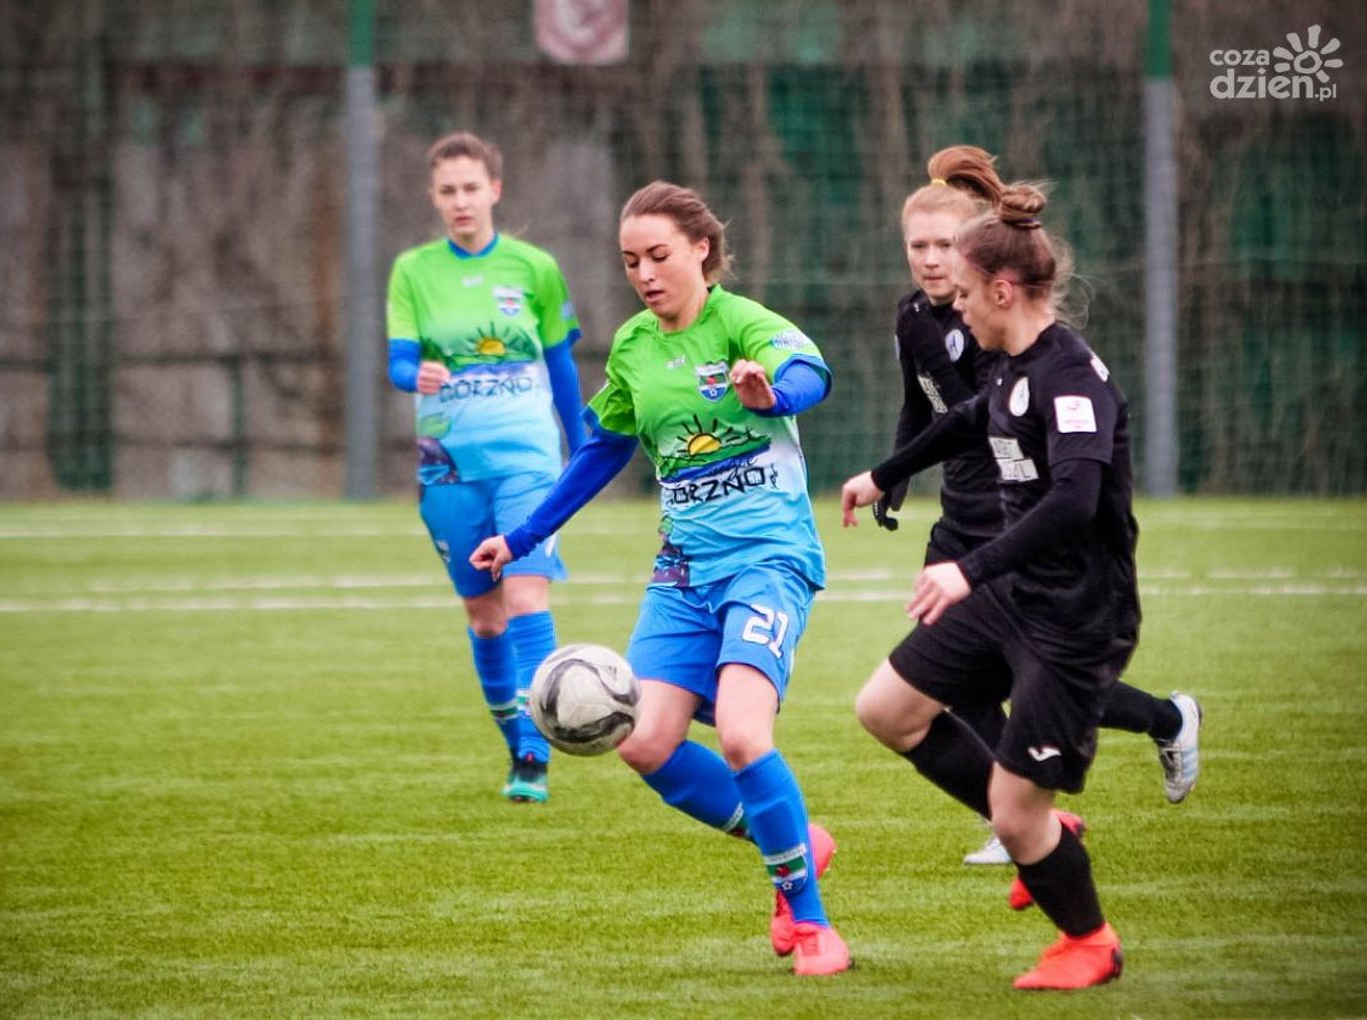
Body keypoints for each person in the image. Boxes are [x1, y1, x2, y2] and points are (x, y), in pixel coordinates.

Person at [471, 181, 851, 976]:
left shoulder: (738, 320)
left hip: (766, 559)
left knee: (743, 735)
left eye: (658, 255)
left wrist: (770, 394)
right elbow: (602, 450)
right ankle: (792, 844)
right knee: (642, 742)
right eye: (630, 261)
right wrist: (523, 537)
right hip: (682, 573)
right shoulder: (635, 346)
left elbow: (812, 371)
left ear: (701, 250)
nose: (644, 274)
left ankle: (813, 924)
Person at [841, 182, 1183, 989]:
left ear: (1001, 290)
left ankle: (1089, 941)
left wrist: (968, 569)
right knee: (886, 709)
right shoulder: (1011, 367)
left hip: (1074, 615)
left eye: (964, 294)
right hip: (1011, 594)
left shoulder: (1072, 377)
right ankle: (1038, 835)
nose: (955, 309)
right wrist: (883, 473)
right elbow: (963, 421)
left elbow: (1075, 500)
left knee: (1013, 812)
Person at [879, 147, 1203, 867]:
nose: (930, 261)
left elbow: (988, 423)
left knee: (1023, 674)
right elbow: (924, 408)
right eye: (916, 246)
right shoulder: (914, 317)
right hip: (957, 521)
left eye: (943, 246)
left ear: (977, 259)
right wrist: (891, 475)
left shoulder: (1010, 334)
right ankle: (1024, 819)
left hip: (1007, 520)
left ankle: (1058, 797)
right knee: (945, 678)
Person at [385, 132, 587, 804]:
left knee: (526, 597)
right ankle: (516, 741)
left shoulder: (535, 268)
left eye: (472, 187)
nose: (461, 201)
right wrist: (416, 373)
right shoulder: (413, 272)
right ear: (433, 197)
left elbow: (560, 364)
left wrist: (583, 442)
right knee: (485, 617)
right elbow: (398, 362)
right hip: (448, 467)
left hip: (529, 460)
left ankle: (534, 751)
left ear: (494, 190)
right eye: (448, 191)